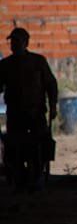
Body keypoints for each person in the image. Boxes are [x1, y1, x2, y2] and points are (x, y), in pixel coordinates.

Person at [0, 27, 58, 192]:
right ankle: (20, 179)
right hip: (15, 113)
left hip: (36, 112)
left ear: (26, 43)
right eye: (12, 41)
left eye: (17, 41)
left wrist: (53, 105)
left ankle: (37, 177)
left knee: (38, 146)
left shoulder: (38, 62)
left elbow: (51, 85)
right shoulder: (5, 65)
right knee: (15, 147)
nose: (13, 45)